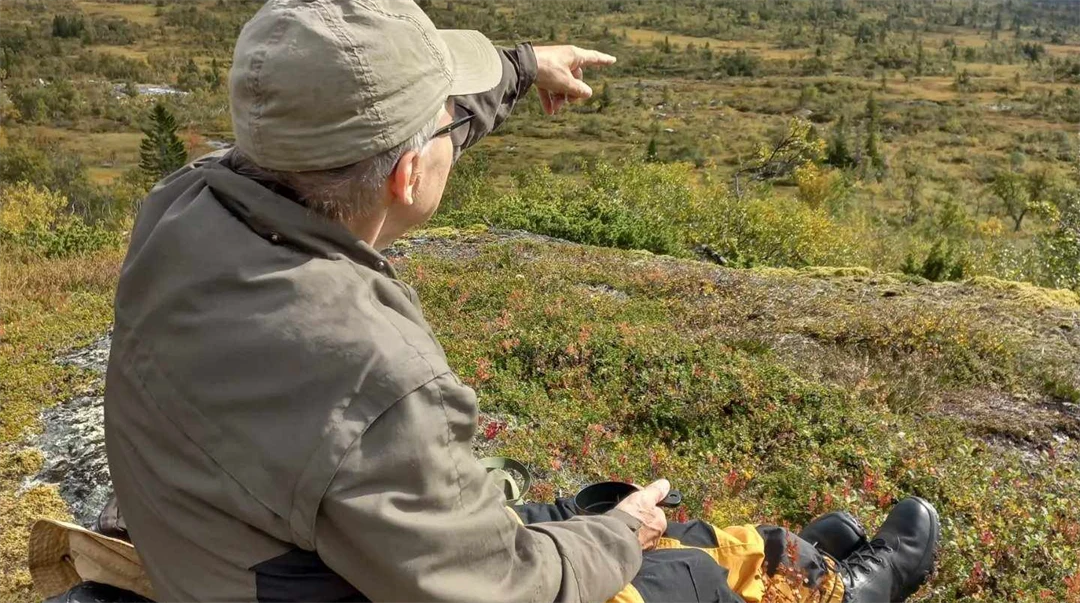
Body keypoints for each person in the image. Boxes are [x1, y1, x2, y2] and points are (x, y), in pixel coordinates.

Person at [101, 1, 940, 602]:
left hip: (245, 545)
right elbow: (500, 587)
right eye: (443, 125)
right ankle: (834, 586)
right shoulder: (374, 374)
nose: (453, 136)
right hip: (302, 577)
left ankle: (774, 551)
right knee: (669, 570)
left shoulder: (183, 206)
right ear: (405, 173)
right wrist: (622, 539)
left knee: (582, 511)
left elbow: (375, 136)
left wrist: (515, 69)